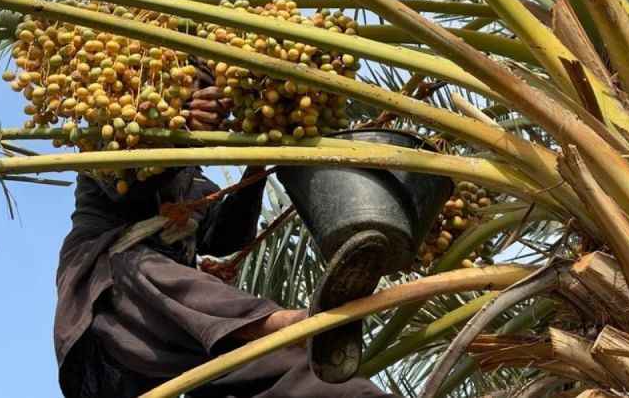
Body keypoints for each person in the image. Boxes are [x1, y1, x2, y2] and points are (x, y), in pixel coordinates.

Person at [53, 64, 400, 398]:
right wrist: (182, 132)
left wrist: (257, 161)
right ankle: (286, 323)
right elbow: (129, 187)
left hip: (175, 334)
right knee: (143, 268)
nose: (205, 98)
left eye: (211, 90)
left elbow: (226, 237)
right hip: (108, 309)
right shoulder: (107, 141)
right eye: (192, 87)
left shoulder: (194, 184)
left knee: (270, 359)